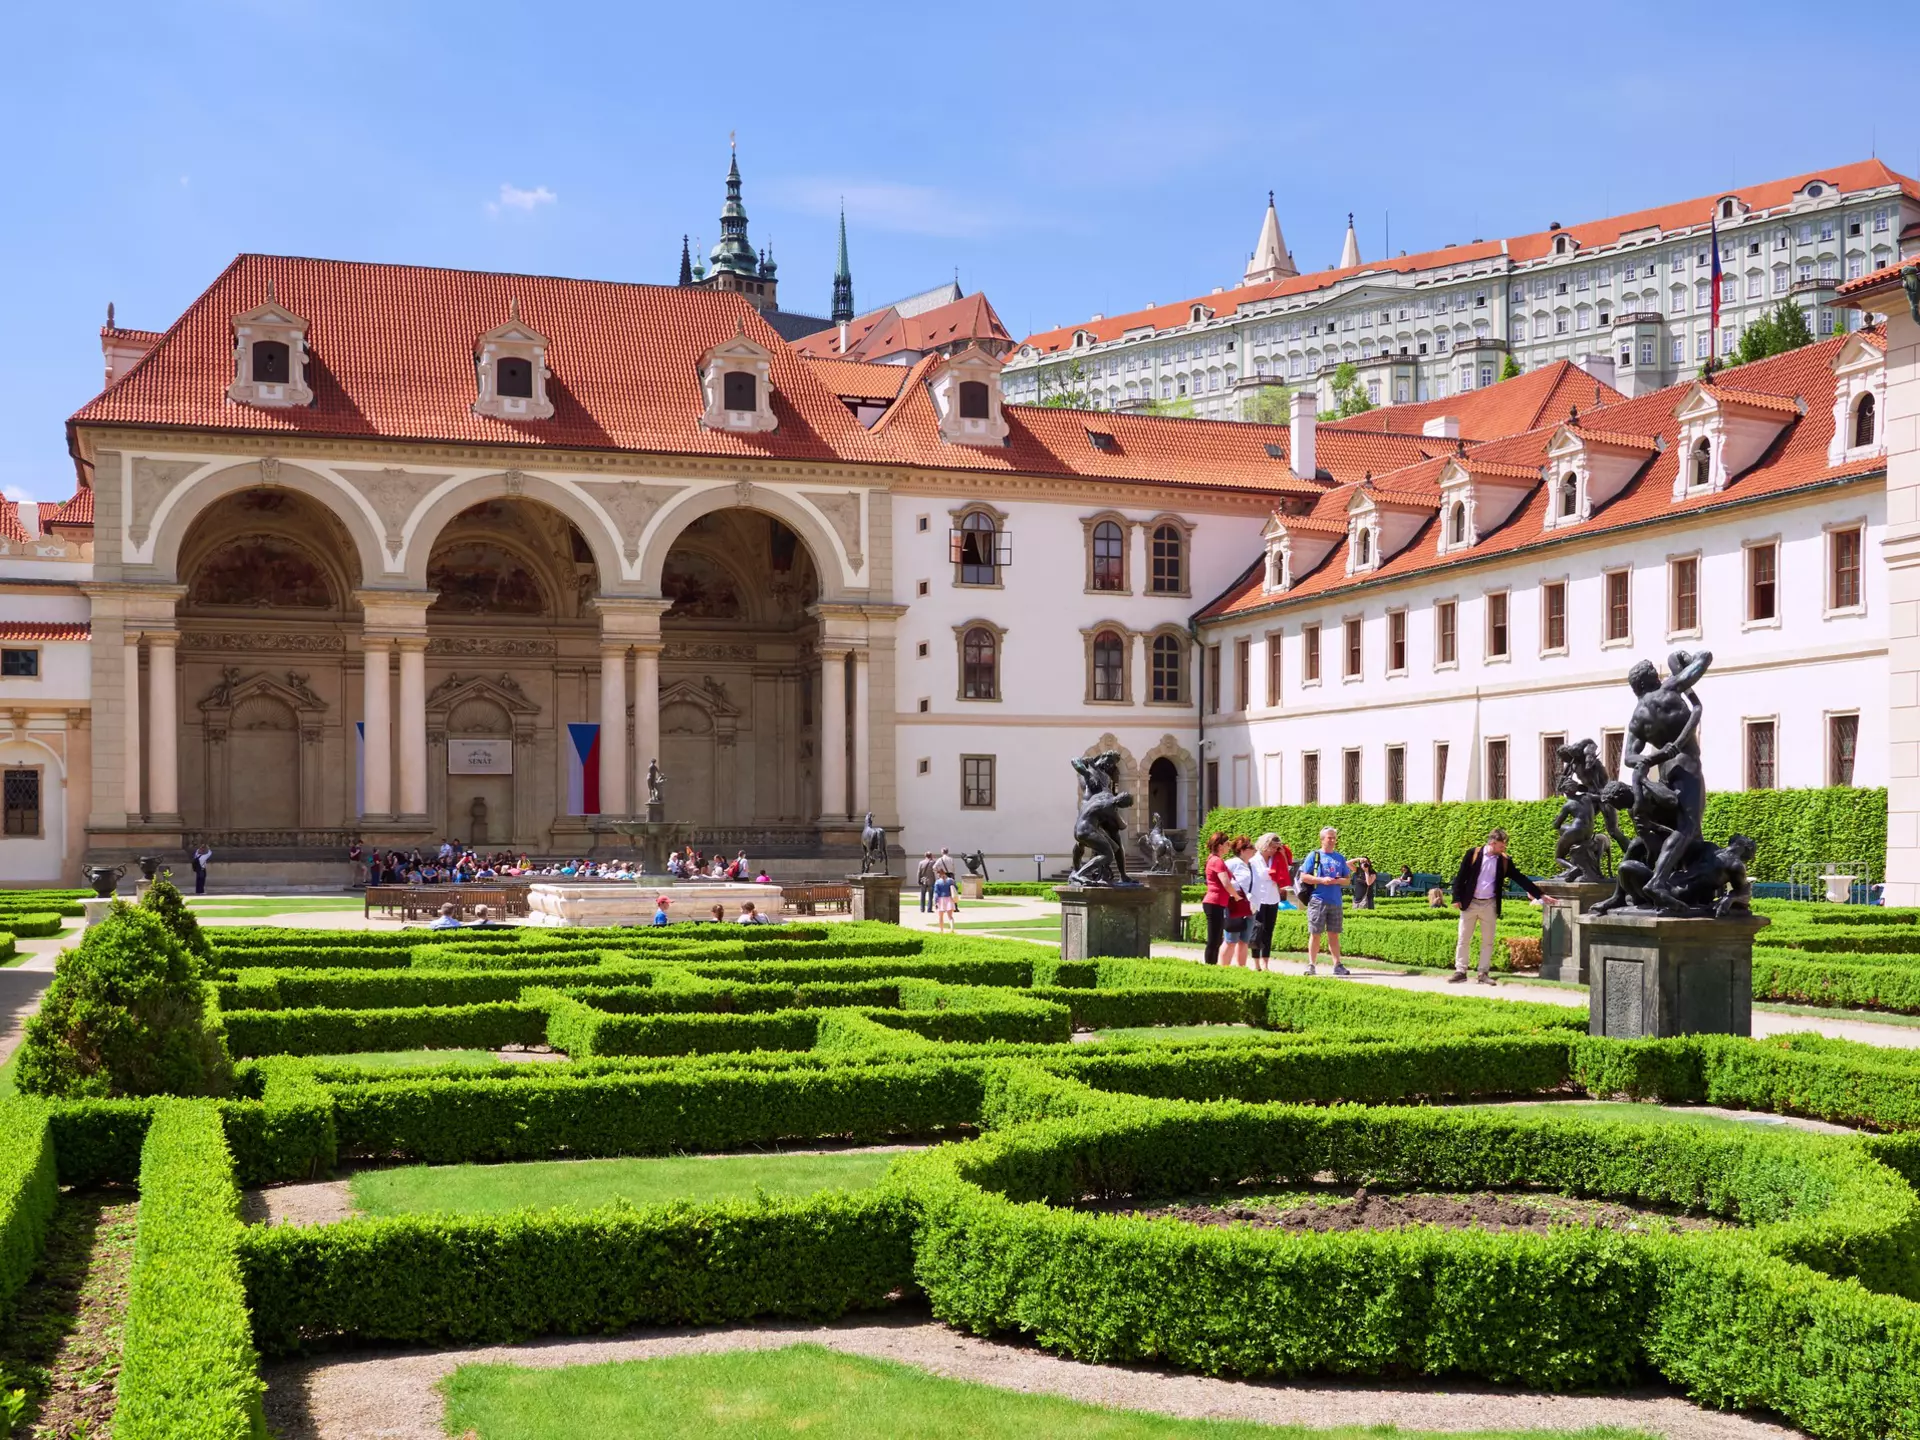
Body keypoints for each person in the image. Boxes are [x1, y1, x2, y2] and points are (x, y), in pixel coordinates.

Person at [1448, 827, 1544, 984]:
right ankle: (1460, 971)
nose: (1504, 848)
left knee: (1488, 941)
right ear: (1492, 843)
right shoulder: (1473, 854)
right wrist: (1456, 898)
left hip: (1489, 904)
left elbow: (1519, 878)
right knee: (1463, 938)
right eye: (1501, 845)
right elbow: (1460, 876)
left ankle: (1483, 973)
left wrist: (1540, 894)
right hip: (1470, 903)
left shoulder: (1504, 860)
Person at [1295, 827, 1352, 977]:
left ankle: (1337, 965)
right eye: (1329, 838)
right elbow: (1303, 877)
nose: (1332, 840)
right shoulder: (1314, 856)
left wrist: (1337, 880)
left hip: (1335, 901)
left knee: (1334, 934)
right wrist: (1321, 880)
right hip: (1318, 900)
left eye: (1334, 837)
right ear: (1322, 839)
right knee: (1315, 933)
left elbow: (1347, 880)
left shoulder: (1340, 858)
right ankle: (1311, 965)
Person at [1248, 833, 1288, 969]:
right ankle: (1256, 963)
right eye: (1272, 847)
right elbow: (1263, 876)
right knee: (1257, 930)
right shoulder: (1254, 861)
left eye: (1276, 848)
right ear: (1265, 845)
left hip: (1272, 898)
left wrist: (1282, 855)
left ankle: (1265, 963)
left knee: (1268, 931)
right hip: (1258, 899)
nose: (1273, 850)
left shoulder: (1276, 859)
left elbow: (1284, 872)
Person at [1220, 837, 1257, 967]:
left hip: (1250, 905)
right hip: (1235, 903)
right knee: (1231, 939)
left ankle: (1241, 969)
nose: (1254, 850)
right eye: (1250, 848)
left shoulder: (1252, 865)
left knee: (1244, 940)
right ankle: (1224, 968)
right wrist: (1234, 894)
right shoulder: (1232, 863)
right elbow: (1223, 881)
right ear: (1242, 850)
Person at [1199, 831, 1234, 966]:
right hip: (1214, 902)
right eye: (1227, 844)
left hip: (1216, 902)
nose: (1229, 847)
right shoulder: (1217, 861)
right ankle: (1209, 966)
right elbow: (1225, 882)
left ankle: (1211, 965)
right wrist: (1236, 896)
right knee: (1214, 939)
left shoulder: (1213, 859)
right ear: (1220, 846)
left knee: (1216, 939)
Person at [931, 868, 958, 934]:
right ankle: (952, 929)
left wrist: (935, 902)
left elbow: (936, 893)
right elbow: (956, 888)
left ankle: (941, 930)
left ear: (939, 874)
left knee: (941, 916)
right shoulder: (950, 880)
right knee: (950, 916)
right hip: (949, 898)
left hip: (941, 899)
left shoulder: (937, 882)